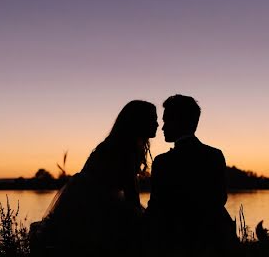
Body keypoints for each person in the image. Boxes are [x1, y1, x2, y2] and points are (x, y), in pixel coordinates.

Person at [36, 100, 158, 247]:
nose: (157, 124)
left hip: (89, 198)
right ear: (139, 122)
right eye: (153, 119)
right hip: (91, 204)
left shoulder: (118, 143)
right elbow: (132, 195)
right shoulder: (125, 149)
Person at [146, 95, 236, 247]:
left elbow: (157, 206)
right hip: (216, 236)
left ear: (178, 122)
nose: (163, 127)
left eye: (166, 121)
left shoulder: (163, 162)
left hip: (178, 239)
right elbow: (220, 198)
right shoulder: (215, 155)